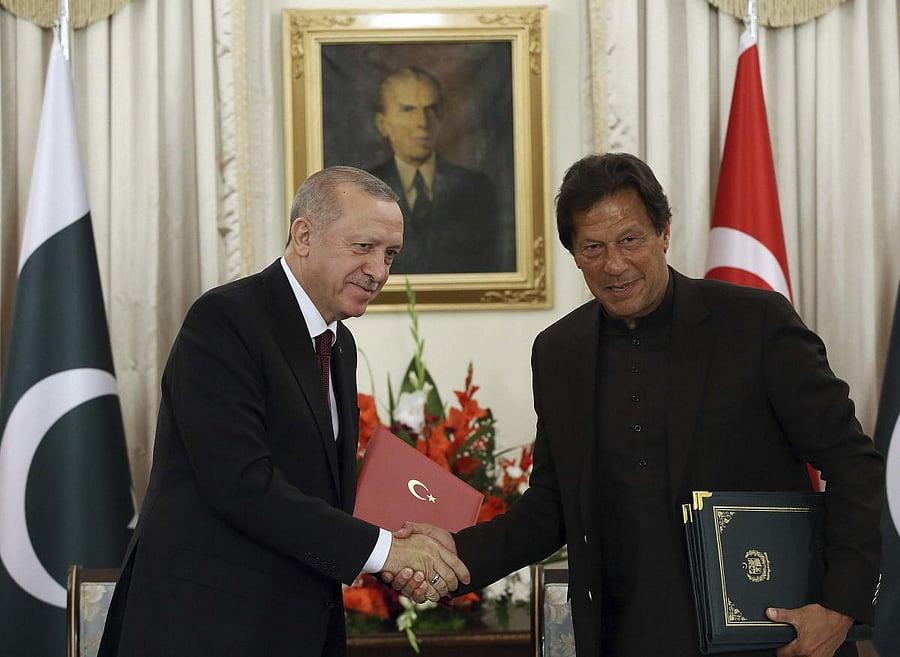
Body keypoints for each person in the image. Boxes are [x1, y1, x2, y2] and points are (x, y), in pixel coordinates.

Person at [387, 153, 885, 657]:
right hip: (625, 635)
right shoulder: (559, 352)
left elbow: (853, 463)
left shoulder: (755, 324)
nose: (615, 265)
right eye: (593, 247)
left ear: (664, 233)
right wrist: (456, 553)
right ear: (574, 255)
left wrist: (840, 607)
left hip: (766, 634)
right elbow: (553, 505)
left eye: (630, 240)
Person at [97, 166, 469, 657]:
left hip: (296, 624)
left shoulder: (338, 345)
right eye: (363, 247)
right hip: (206, 628)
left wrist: (398, 546)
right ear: (304, 235)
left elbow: (319, 492)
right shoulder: (225, 320)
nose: (379, 271)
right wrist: (387, 551)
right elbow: (242, 485)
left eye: (390, 254)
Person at [367, 66, 515, 274]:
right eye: (408, 110)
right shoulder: (365, 191)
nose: (422, 122)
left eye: (431, 109)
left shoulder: (476, 188)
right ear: (383, 124)